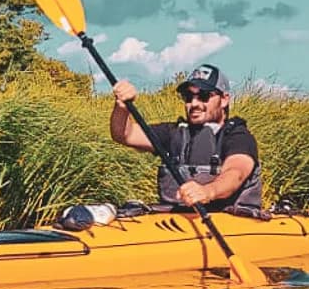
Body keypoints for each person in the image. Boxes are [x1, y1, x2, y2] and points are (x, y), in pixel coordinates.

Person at [108, 64, 266, 216]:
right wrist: (122, 107)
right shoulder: (173, 133)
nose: (194, 104)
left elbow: (236, 172)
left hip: (230, 225)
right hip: (180, 223)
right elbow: (124, 134)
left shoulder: (238, 136)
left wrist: (208, 191)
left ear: (224, 100)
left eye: (204, 96)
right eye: (188, 97)